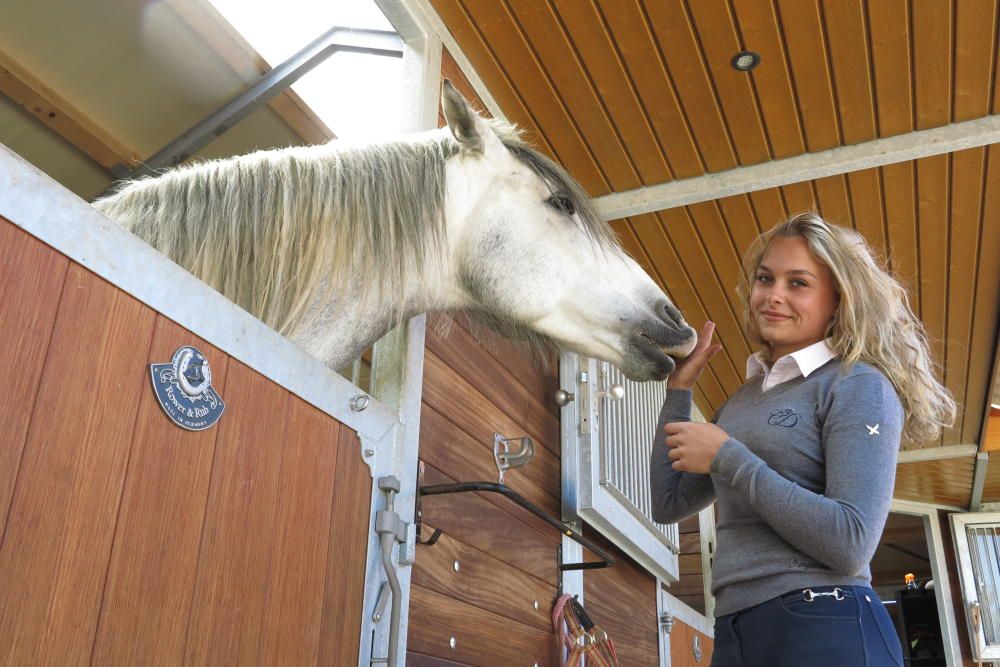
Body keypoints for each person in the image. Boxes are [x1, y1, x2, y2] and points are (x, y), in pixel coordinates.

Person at [650, 213, 956, 667]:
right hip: (736, 627)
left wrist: (729, 457)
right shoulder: (743, 401)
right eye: (765, 278)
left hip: (824, 617)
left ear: (837, 300)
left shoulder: (857, 384)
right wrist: (679, 392)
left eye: (798, 283)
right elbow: (669, 503)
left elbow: (851, 543)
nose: (774, 295)